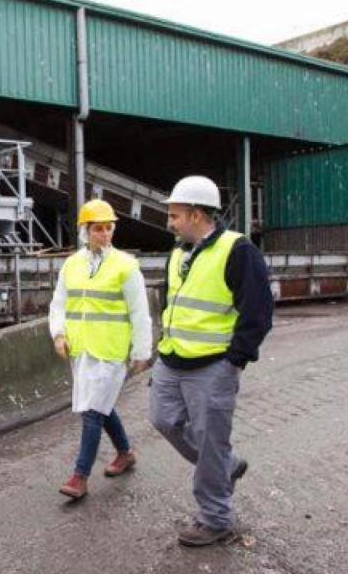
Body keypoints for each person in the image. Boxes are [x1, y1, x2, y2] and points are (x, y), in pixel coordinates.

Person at [149, 175, 273, 546]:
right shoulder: (178, 251)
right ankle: (227, 467)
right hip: (171, 360)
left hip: (213, 366)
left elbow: (259, 311)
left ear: (197, 213)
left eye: (175, 215)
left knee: (210, 441)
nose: (170, 222)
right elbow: (174, 304)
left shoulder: (238, 251)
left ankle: (216, 518)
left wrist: (235, 359)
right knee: (163, 420)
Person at [50, 199, 152, 500]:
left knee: (92, 411)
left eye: (109, 228)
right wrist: (58, 334)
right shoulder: (71, 264)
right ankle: (125, 453)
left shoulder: (126, 266)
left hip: (111, 351)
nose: (105, 234)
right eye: (98, 229)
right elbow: (59, 303)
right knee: (102, 406)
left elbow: (139, 311)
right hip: (81, 349)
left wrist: (141, 352)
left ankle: (79, 477)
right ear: (85, 231)